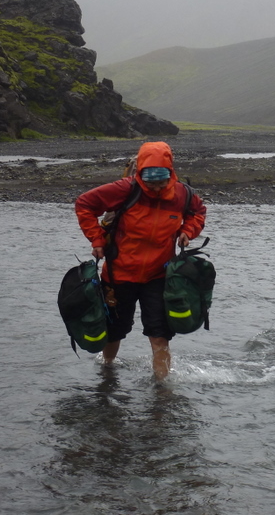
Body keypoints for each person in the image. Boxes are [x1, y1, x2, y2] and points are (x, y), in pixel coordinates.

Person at [75, 141, 207, 379]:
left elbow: (197, 212)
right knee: (115, 331)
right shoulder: (124, 189)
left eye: (161, 181)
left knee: (159, 334)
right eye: (150, 181)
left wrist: (188, 231)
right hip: (119, 275)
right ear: (140, 174)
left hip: (159, 275)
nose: (156, 187)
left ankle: (162, 388)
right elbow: (84, 204)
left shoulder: (182, 193)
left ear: (171, 173)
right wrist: (96, 240)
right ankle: (107, 372)